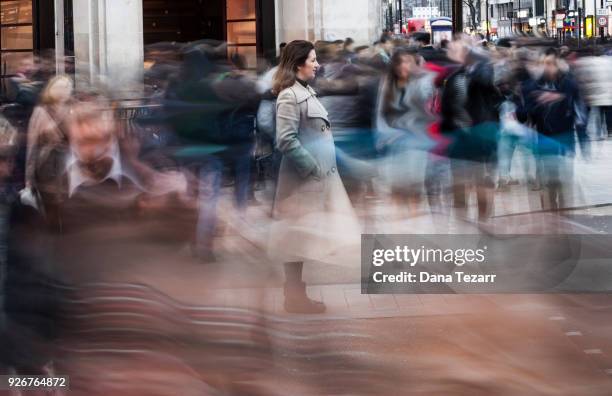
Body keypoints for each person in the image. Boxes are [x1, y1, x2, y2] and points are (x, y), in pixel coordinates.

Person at [270, 40, 360, 314]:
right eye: (312, 60)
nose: (317, 64)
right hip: (302, 180)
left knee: (302, 238)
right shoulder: (289, 96)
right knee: (296, 240)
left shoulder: (305, 91)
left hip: (316, 179)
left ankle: (296, 296)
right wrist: (312, 167)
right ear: (298, 64)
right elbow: (285, 140)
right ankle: (295, 297)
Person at [374, 47, 437, 215]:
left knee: (415, 187)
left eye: (407, 61)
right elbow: (380, 113)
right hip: (393, 143)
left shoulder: (422, 82)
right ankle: (399, 226)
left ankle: (413, 221)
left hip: (416, 143)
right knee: (396, 189)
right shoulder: (387, 84)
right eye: (399, 62)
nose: (403, 66)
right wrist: (385, 137)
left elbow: (428, 106)